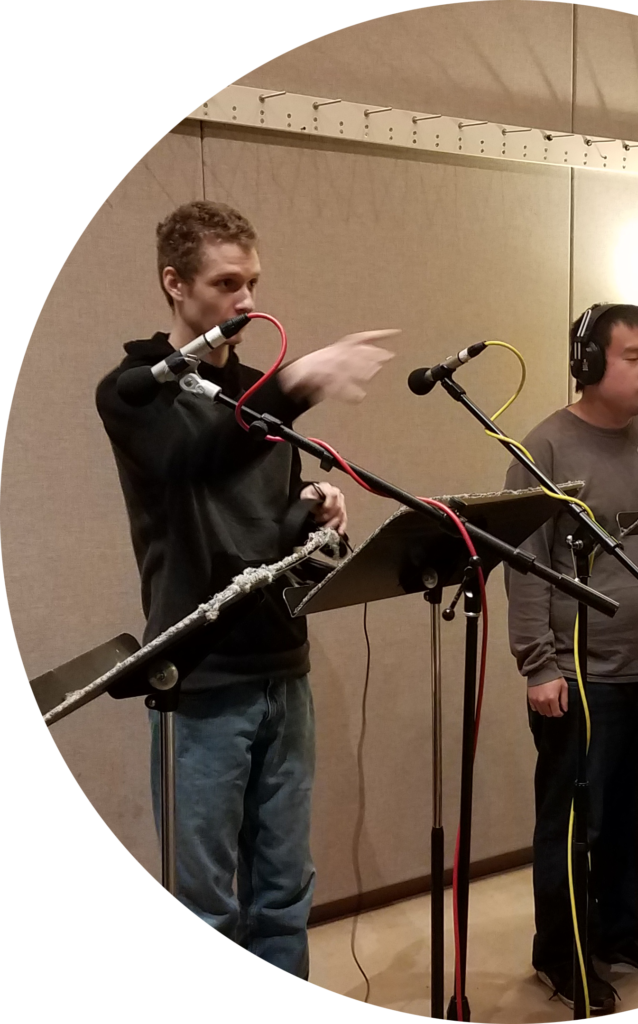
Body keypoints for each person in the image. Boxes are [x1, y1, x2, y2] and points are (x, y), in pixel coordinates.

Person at [95, 200, 397, 1023]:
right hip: (202, 681)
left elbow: (263, 521)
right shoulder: (132, 393)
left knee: (282, 898)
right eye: (228, 283)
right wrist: (298, 386)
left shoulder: (256, 400)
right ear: (175, 284)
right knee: (206, 907)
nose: (246, 300)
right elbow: (191, 462)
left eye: (253, 282)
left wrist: (312, 507)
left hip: (281, 670)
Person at [504, 303, 638, 1015]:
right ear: (590, 363)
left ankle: (624, 931)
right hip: (583, 679)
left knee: (634, 814)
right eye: (632, 356)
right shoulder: (546, 449)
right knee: (573, 827)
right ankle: (561, 953)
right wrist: (538, 664)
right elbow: (525, 564)